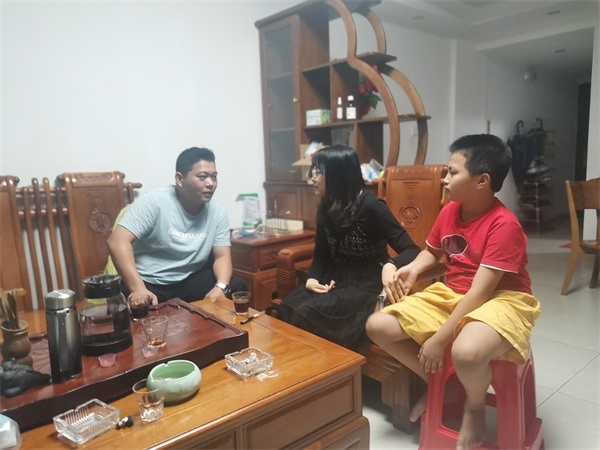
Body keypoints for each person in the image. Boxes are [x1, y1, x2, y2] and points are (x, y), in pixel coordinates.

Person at [365, 134, 541, 450]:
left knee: (465, 352)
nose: (444, 179)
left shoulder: (504, 225)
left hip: (502, 299)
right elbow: (434, 253)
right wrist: (414, 269)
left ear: (482, 181)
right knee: (377, 325)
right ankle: (443, 386)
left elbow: (480, 293)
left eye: (452, 172)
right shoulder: (450, 211)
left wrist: (438, 340)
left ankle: (474, 408)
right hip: (455, 292)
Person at [278, 144, 420, 351]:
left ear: (337, 175)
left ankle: (329, 366)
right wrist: (312, 279)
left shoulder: (372, 207)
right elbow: (321, 254)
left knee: (305, 313)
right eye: (313, 171)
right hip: (335, 278)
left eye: (318, 172)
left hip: (366, 285)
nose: (312, 179)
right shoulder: (327, 205)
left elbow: (412, 250)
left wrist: (391, 265)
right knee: (287, 307)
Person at [107, 147, 246, 305]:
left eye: (214, 177)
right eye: (202, 177)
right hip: (149, 281)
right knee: (131, 303)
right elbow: (117, 241)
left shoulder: (217, 212)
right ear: (180, 179)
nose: (210, 184)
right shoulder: (154, 202)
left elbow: (222, 256)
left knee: (236, 286)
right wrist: (138, 288)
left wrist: (220, 287)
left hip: (188, 280)